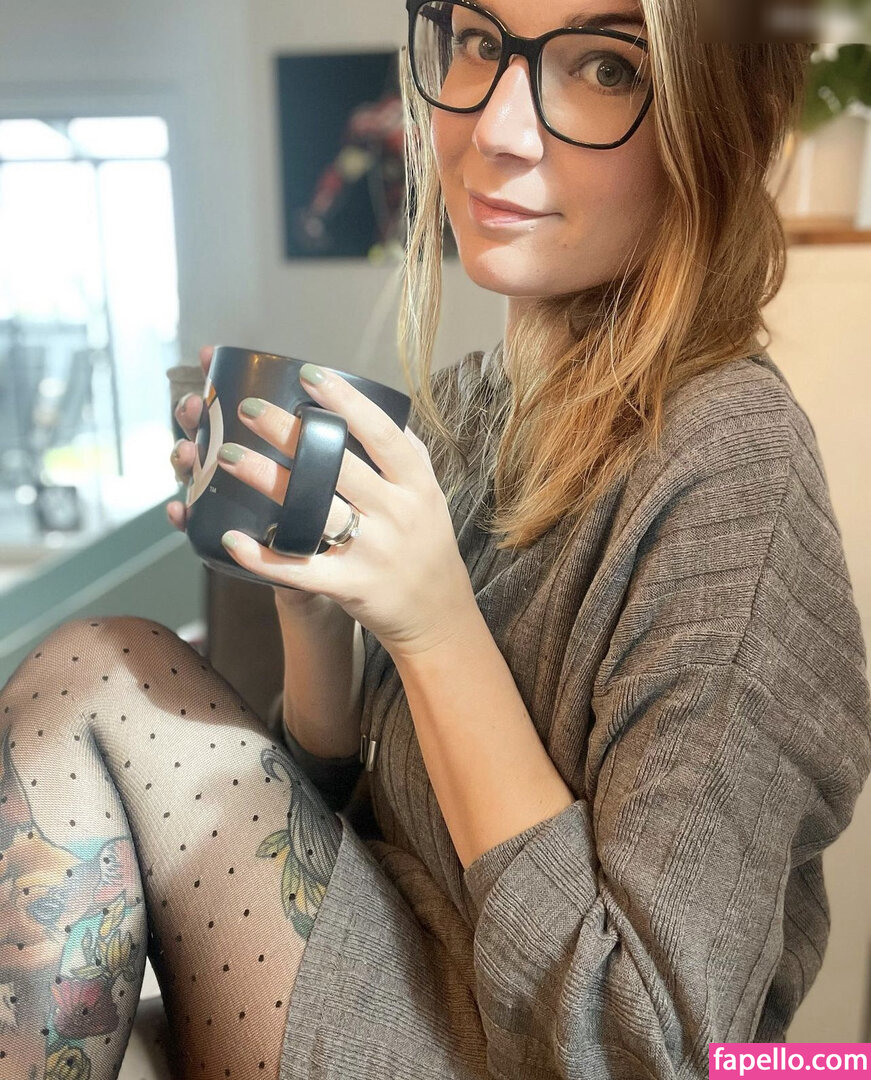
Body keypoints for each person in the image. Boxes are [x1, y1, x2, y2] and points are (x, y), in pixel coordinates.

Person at [2, 2, 870, 1078]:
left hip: (510, 1050)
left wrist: (435, 628)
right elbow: (342, 831)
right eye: (478, 42)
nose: (494, 127)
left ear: (717, 127)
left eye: (605, 67)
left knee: (102, 670)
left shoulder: (732, 468)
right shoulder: (470, 411)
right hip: (393, 966)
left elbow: (639, 1048)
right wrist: (317, 613)